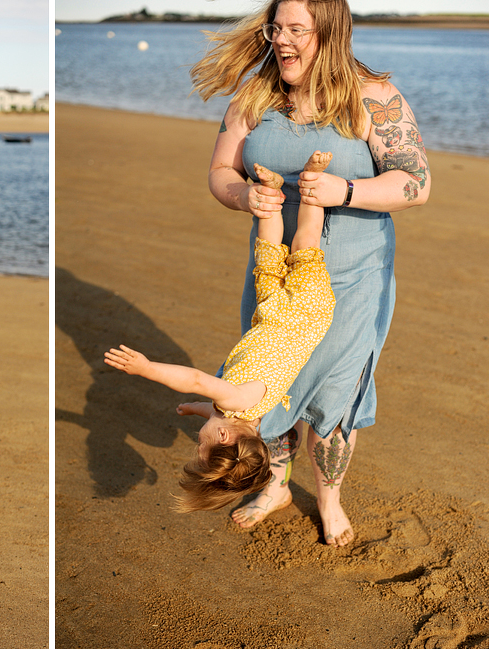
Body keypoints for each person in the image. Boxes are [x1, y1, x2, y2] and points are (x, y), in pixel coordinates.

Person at [190, 0, 430, 546]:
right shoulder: (255, 95)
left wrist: (345, 190)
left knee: (336, 396)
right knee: (268, 390)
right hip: (274, 279)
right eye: (277, 27)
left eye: (298, 29)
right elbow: (220, 170)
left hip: (352, 280)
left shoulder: (374, 98)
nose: (282, 40)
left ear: (331, 32)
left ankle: (328, 500)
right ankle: (275, 485)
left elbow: (416, 182)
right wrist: (242, 194)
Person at [106, 152, 335, 512]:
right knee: (306, 243)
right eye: (202, 446)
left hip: (272, 316)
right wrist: (146, 369)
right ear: (225, 436)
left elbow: (210, 406)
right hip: (305, 311)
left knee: (269, 255)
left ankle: (272, 193)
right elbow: (198, 381)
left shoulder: (249, 420)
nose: (198, 443)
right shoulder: (235, 402)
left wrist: (193, 410)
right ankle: (311, 181)